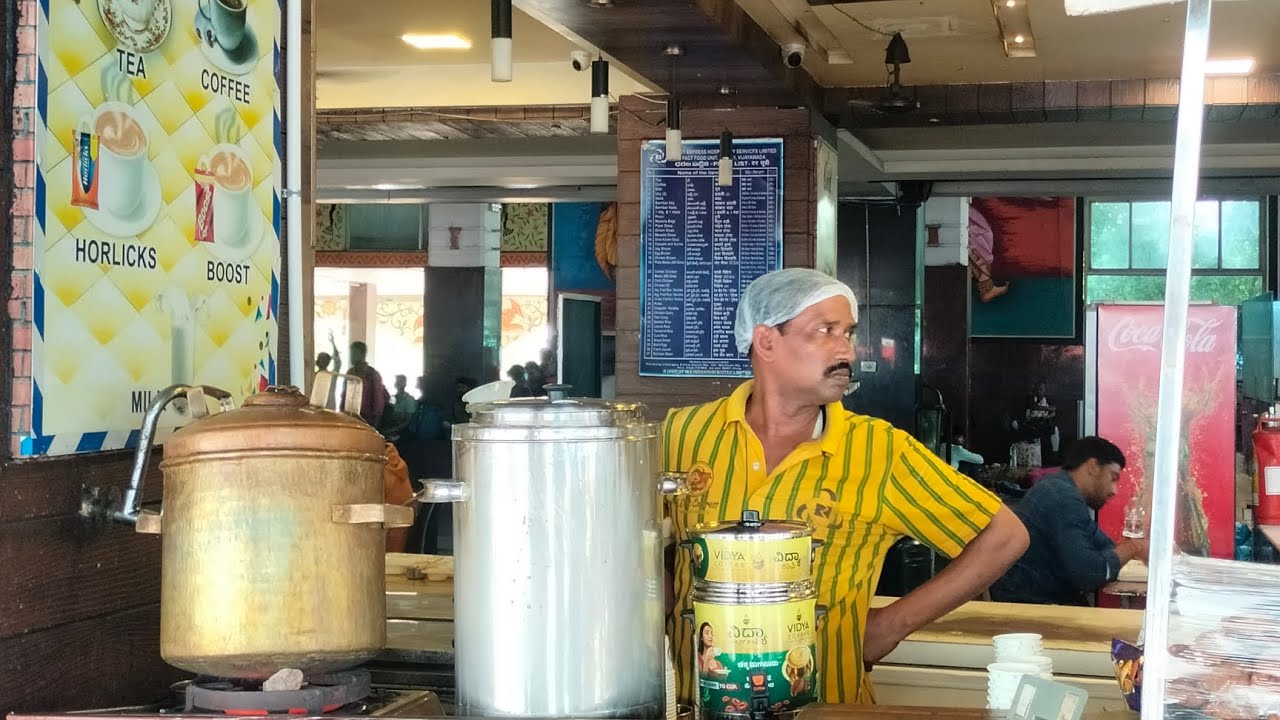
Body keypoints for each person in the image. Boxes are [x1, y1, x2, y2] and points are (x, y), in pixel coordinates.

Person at [663, 268, 1029, 705]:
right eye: (826, 331)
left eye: (849, 333)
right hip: (695, 705)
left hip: (830, 707)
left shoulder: (879, 451)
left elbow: (1005, 536)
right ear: (766, 342)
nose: (847, 352)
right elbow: (648, 551)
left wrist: (890, 625)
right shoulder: (682, 435)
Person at [989, 437, 1147, 606]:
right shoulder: (1062, 497)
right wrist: (1134, 547)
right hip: (1030, 609)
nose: (1114, 490)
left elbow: (1105, 547)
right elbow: (1090, 574)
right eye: (1113, 477)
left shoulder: (1061, 489)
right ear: (1093, 467)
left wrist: (1124, 551)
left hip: (1038, 602)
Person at [348, 341, 386, 428]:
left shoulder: (372, 374)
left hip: (367, 419)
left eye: (354, 353)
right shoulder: (350, 373)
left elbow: (378, 402)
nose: (351, 356)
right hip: (350, 416)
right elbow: (345, 395)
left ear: (362, 354)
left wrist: (375, 424)